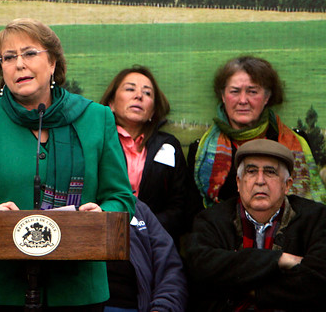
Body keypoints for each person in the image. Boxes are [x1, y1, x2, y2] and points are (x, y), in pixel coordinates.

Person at [0, 18, 135, 310]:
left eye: (30, 53)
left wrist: (101, 214)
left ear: (53, 62)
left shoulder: (96, 118)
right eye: (8, 57)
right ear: (1, 69)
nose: (19, 64)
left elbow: (121, 199)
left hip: (76, 291)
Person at [185, 139, 326, 310]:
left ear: (287, 185)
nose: (260, 181)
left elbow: (317, 281)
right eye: (251, 171)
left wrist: (251, 289)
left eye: (270, 172)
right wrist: (280, 259)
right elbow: (200, 269)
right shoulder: (211, 220)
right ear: (238, 183)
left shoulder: (316, 218)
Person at [190, 55, 326, 207]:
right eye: (234, 91)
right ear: (223, 96)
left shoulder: (292, 142)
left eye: (252, 92)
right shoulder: (201, 151)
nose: (243, 100)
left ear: (266, 97)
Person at [100, 65, 195, 241]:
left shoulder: (168, 145)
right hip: (103, 237)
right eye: (130, 89)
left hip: (153, 241)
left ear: (152, 110)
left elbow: (180, 207)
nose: (139, 96)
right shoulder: (96, 142)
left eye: (147, 93)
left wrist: (144, 227)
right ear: (111, 103)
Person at [105, 199, 187, 312]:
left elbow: (170, 270)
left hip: (139, 306)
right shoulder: (74, 210)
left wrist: (162, 307)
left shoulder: (139, 209)